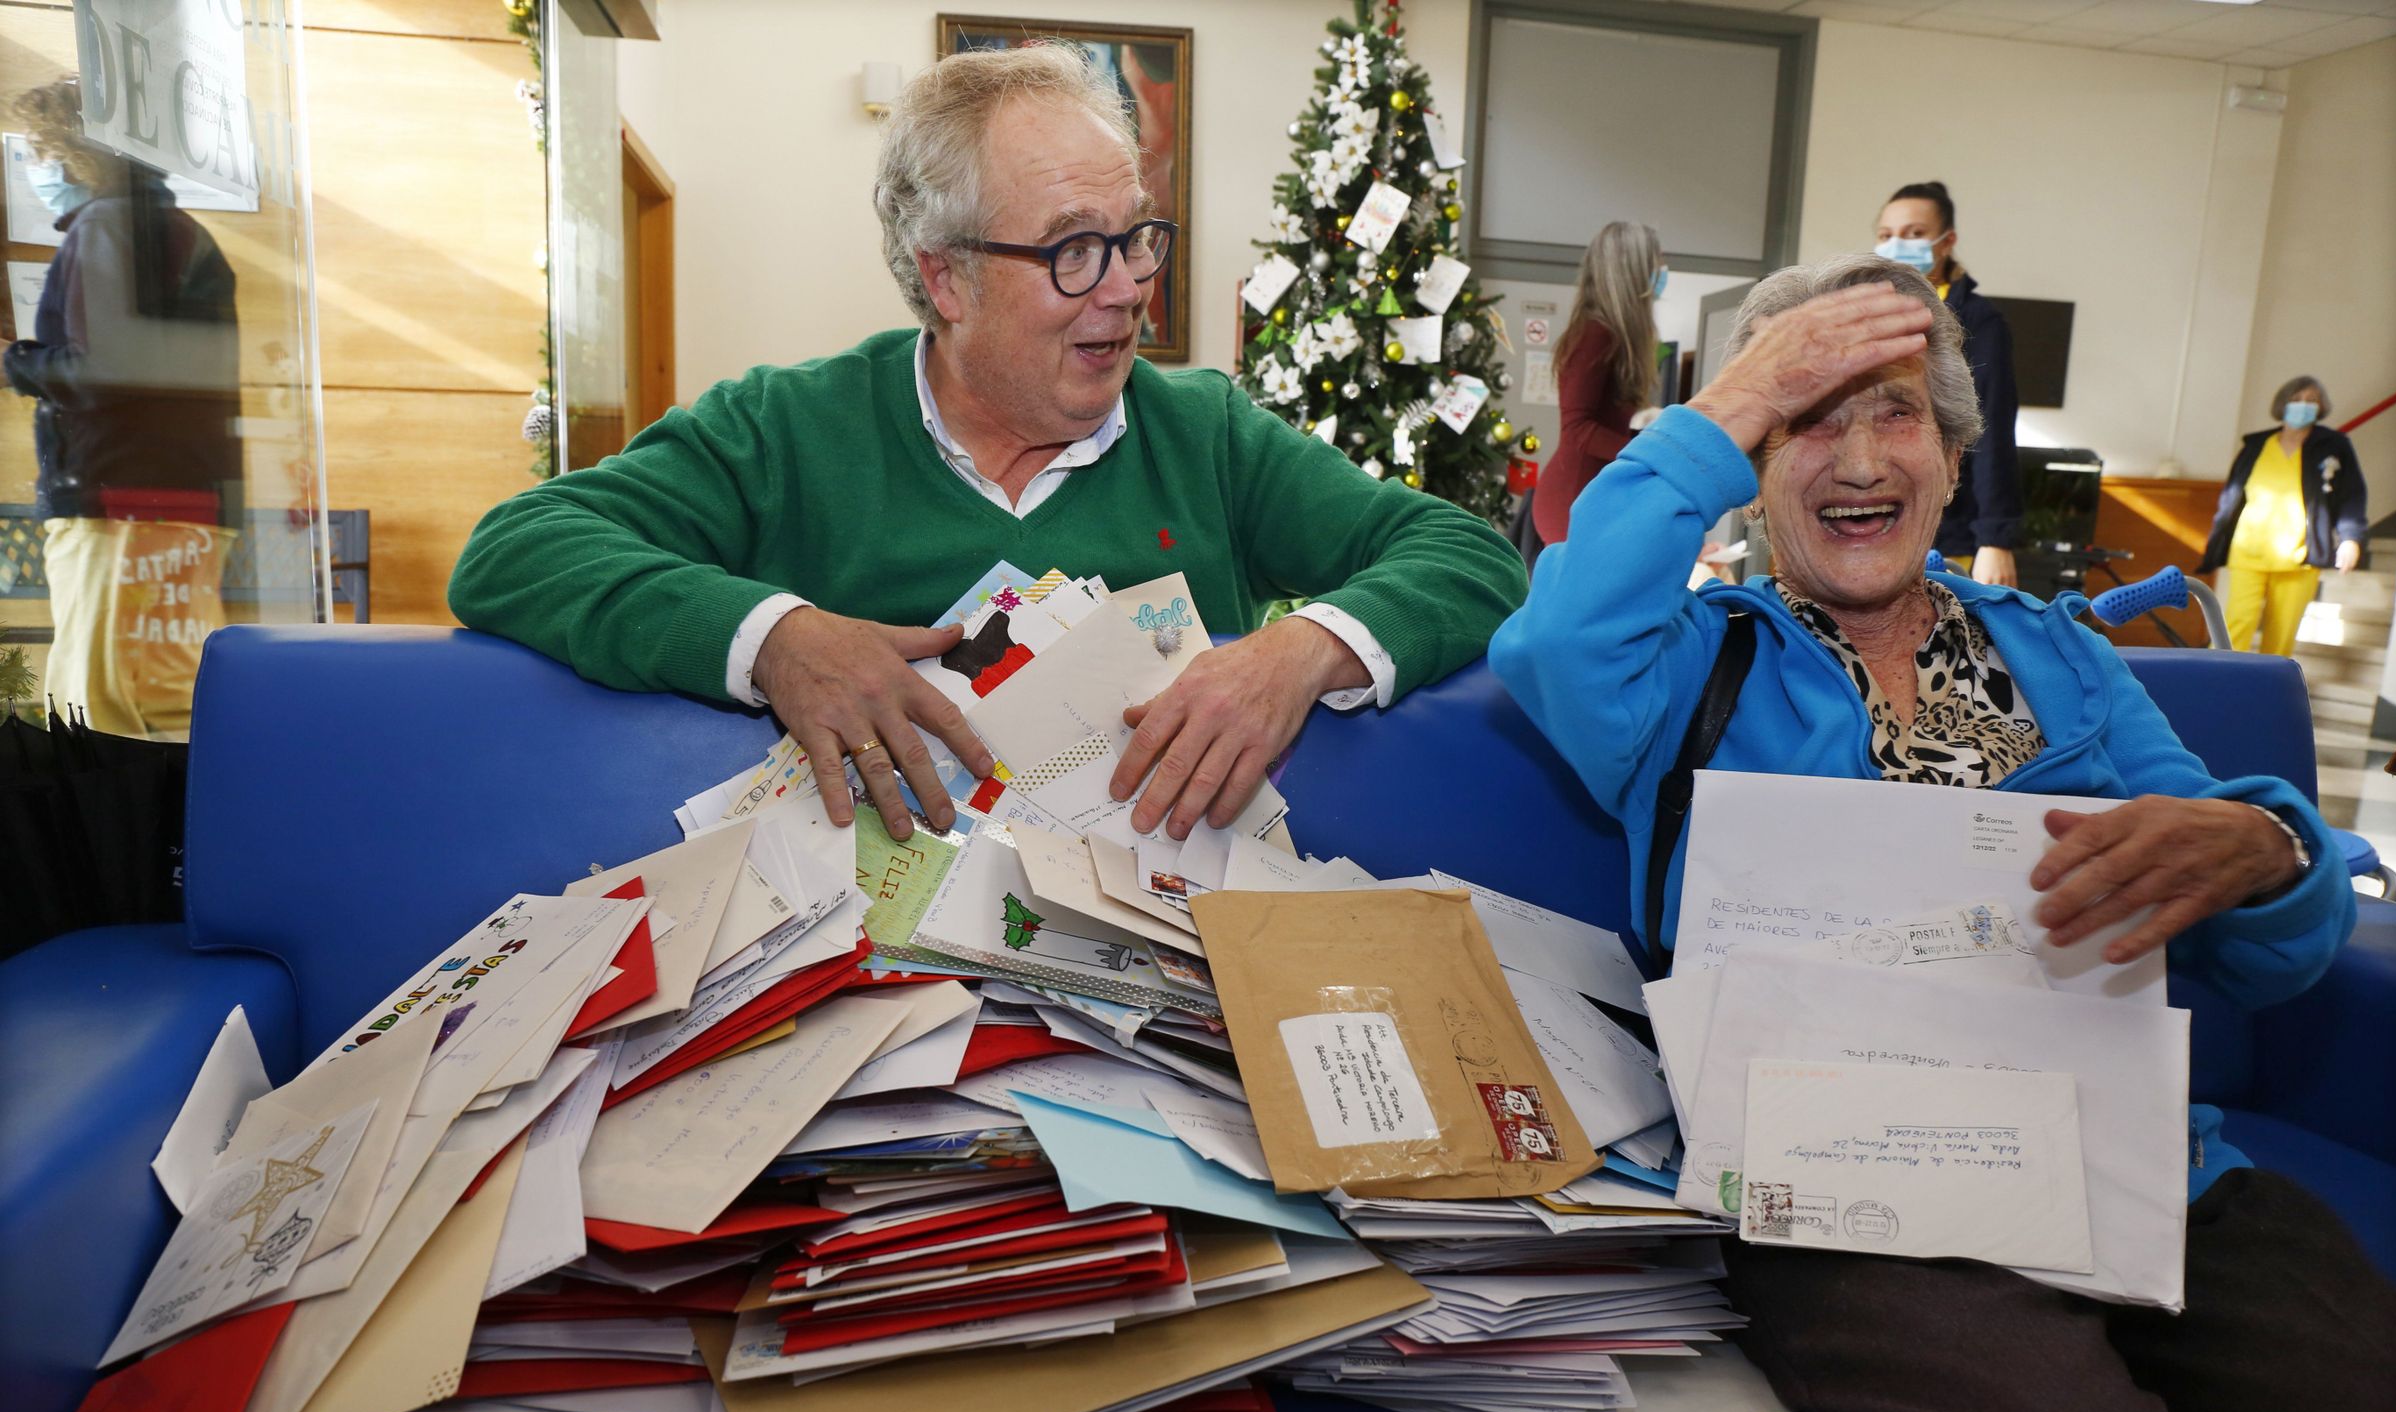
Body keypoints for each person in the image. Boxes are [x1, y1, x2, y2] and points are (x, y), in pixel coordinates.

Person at [1491, 253, 2393, 1412]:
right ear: (1752, 457)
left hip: (2146, 1174)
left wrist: (2262, 845)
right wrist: (1732, 396)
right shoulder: (1689, 669)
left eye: (1897, 411)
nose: (1859, 456)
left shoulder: (2065, 656)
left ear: (1955, 449)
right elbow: (1551, 646)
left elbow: (2267, 951)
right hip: (1861, 1209)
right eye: (1810, 416)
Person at [450, 44, 1523, 843]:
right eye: (1073, 251)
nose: (1128, 290)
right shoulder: (783, 428)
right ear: (945, 275)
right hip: (878, 980)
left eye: (1137, 235)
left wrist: (1298, 652)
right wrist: (778, 638)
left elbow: (1469, 557)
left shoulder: (1208, 434)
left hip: (1161, 977)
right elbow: (517, 550)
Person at [3, 79, 239, 738]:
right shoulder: (177, 231)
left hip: (123, 502)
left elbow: (110, 369)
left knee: (104, 713)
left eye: (36, 153)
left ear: (74, 152)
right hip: (175, 498)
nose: (31, 170)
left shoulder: (109, 226)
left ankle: (132, 844)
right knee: (161, 696)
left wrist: (19, 361)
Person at [1875, 181, 2021, 590]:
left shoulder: (1977, 320)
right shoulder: (1866, 312)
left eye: (1914, 233)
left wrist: (1994, 538)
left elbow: (1992, 427)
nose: (1897, 244)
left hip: (1948, 524)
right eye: (1887, 235)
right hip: (1874, 511)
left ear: (1946, 242)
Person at [2198, 375, 2368, 657]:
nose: (2303, 406)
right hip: (2248, 552)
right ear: (2283, 404)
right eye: (2297, 399)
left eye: (2311, 401)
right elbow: (2231, 496)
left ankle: (2268, 695)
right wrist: (2217, 540)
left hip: (2299, 557)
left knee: (2281, 637)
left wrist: (2351, 538)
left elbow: (2352, 495)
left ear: (2321, 407)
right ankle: (2215, 684)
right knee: (2234, 625)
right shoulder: (2256, 446)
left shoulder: (2333, 446)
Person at [1530, 220, 1661, 545]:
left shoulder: (1614, 335)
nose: (1661, 271)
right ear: (1632, 271)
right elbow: (1577, 427)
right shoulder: (1596, 334)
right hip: (1573, 497)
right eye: (1655, 262)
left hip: (1588, 493)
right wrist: (1646, 452)